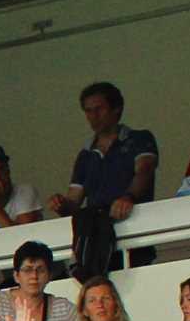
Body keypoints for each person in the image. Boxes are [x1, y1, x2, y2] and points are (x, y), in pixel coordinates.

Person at [48, 81, 158, 277]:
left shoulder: (140, 138)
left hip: (135, 232)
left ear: (117, 109)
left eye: (99, 109)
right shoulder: (85, 155)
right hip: (98, 237)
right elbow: (73, 201)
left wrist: (128, 198)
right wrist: (60, 204)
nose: (93, 116)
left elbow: (145, 170)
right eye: (88, 111)